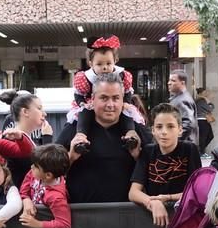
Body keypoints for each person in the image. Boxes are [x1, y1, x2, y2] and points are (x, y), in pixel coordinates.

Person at [56, 72, 152, 203]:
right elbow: (49, 171)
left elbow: (157, 171)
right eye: (104, 98)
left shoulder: (137, 131)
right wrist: (71, 156)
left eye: (116, 98)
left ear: (123, 99)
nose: (110, 105)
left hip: (126, 214)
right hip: (82, 213)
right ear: (92, 98)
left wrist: (138, 156)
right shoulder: (74, 129)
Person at [129, 103, 201, 227]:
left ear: (180, 130)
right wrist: (153, 202)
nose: (164, 132)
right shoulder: (147, 151)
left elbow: (197, 191)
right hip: (154, 219)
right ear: (153, 130)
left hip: (184, 219)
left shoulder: (189, 149)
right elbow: (133, 192)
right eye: (159, 127)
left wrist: (167, 197)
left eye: (170, 126)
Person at [69, 35, 143, 154]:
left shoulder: (123, 75)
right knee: (84, 114)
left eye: (109, 63)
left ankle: (130, 134)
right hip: (90, 103)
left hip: (121, 104)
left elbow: (128, 91)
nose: (105, 67)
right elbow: (78, 94)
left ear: (115, 61)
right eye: (99, 64)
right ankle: (81, 136)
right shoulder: (85, 78)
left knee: (126, 113)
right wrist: (82, 103)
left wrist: (125, 102)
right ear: (90, 64)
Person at [0, 90, 53, 188]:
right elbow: (43, 166)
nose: (44, 114)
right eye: (39, 108)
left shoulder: (27, 139)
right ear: (25, 112)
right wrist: (47, 139)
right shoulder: (11, 139)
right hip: (18, 197)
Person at [19, 144, 71, 228]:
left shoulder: (56, 197)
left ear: (48, 175)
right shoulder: (34, 173)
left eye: (35, 166)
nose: (31, 167)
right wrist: (26, 200)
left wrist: (37, 224)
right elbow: (24, 189)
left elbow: (64, 225)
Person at [167, 70, 199, 145]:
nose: (169, 83)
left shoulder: (183, 100)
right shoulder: (179, 98)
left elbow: (187, 124)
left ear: (182, 83)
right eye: (169, 80)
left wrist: (173, 141)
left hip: (184, 145)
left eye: (173, 81)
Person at [195, 88, 215, 153]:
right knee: (204, 137)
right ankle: (201, 152)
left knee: (208, 136)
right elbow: (210, 108)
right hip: (202, 120)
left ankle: (201, 150)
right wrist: (209, 102)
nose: (206, 94)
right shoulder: (201, 100)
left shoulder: (198, 100)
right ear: (201, 93)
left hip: (202, 120)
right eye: (205, 92)